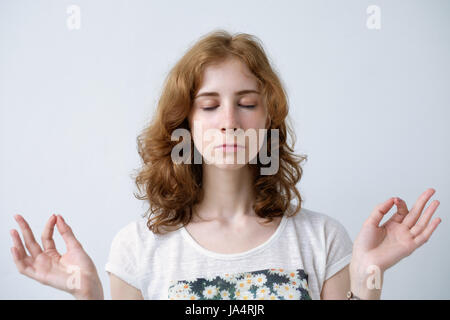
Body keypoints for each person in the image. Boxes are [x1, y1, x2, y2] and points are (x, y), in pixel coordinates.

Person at [9, 30, 442, 300]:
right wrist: (88, 296)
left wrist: (368, 277)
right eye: (210, 106)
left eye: (247, 104)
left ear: (268, 120)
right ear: (185, 125)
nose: (230, 123)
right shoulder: (137, 248)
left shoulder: (323, 239)